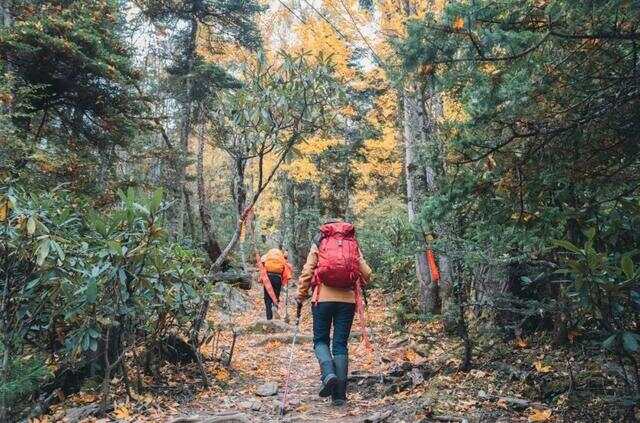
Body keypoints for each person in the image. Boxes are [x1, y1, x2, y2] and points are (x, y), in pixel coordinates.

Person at [296, 220, 372, 406]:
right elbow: (367, 273)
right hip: (347, 301)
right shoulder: (352, 242)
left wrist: (300, 295)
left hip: (322, 298)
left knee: (320, 340)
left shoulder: (320, 240)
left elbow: (308, 270)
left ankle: (328, 373)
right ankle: (339, 395)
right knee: (340, 344)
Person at [259, 247, 292, 320]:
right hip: (277, 278)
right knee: (276, 297)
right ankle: (275, 310)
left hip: (268, 277)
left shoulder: (267, 256)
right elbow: (286, 269)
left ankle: (269, 318)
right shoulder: (281, 258)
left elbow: (262, 264)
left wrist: (261, 279)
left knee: (267, 298)